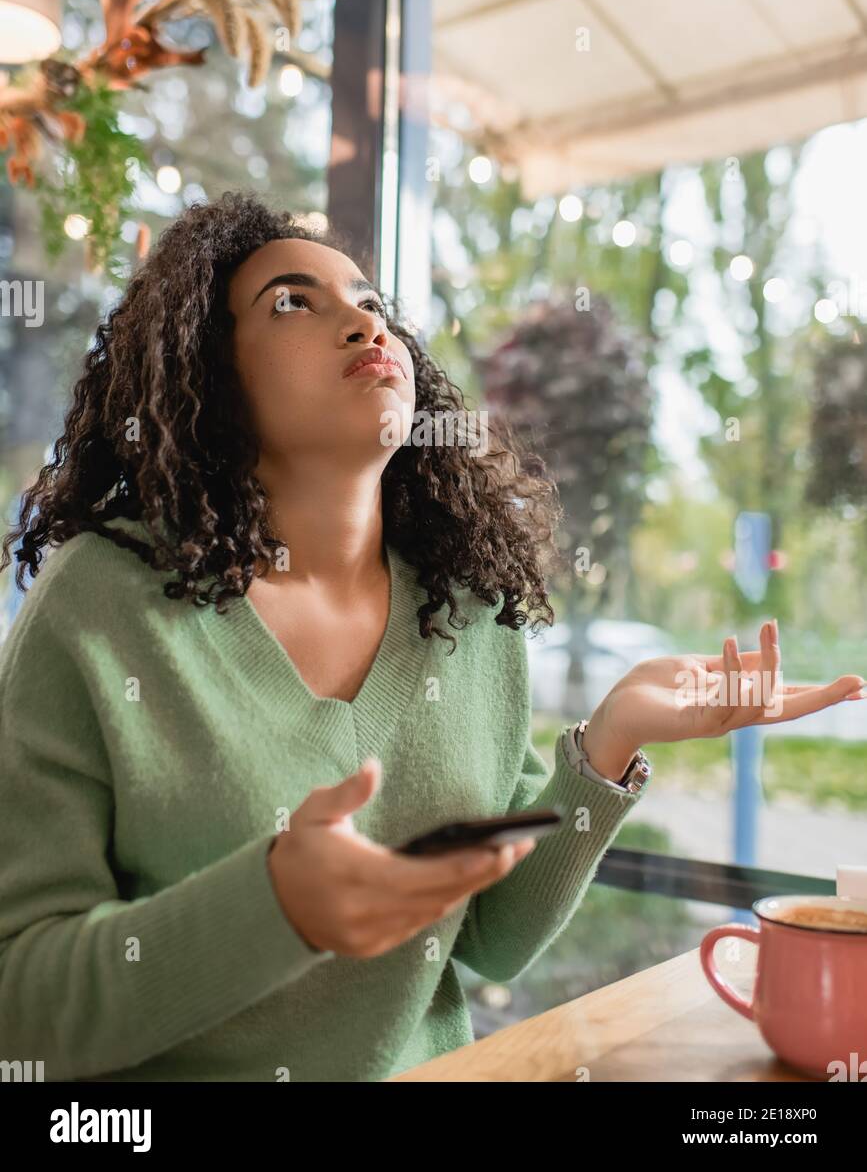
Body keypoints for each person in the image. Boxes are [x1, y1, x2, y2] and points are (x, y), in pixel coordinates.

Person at [0, 190, 861, 1083]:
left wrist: (607, 747)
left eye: (373, 305)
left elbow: (493, 940)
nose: (363, 325)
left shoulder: (465, 606)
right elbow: (20, 1010)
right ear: (206, 375)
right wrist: (273, 908)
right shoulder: (102, 599)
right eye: (294, 302)